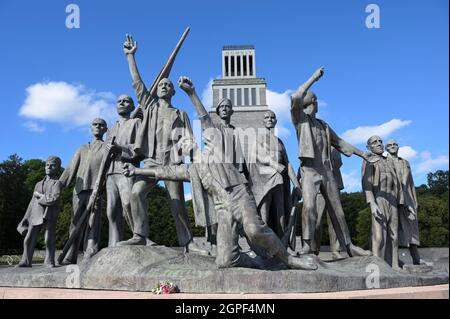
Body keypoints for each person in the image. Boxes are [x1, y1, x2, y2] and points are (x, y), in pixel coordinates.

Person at [123, 134, 318, 270]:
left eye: (187, 141)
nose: (185, 145)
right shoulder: (191, 170)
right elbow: (163, 172)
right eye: (181, 145)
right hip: (223, 209)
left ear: (194, 141)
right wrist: (136, 171)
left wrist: (192, 94)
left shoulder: (215, 150)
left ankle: (290, 260)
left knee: (254, 230)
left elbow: (206, 119)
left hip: (239, 196)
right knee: (225, 261)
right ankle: (252, 262)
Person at [119, 35, 205, 254]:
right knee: (135, 194)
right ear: (157, 91)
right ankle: (140, 235)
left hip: (173, 163)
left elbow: (189, 141)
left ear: (173, 91)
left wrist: (198, 163)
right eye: (162, 85)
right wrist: (131, 57)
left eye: (168, 85)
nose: (164, 86)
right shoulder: (149, 107)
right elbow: (137, 84)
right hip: (151, 161)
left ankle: (187, 242)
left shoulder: (180, 113)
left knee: (177, 204)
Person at [290, 67, 370, 257]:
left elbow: (340, 142)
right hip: (309, 171)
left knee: (338, 211)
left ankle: (348, 246)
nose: (316, 102)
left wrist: (361, 153)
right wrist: (313, 79)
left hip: (326, 171)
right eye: (314, 99)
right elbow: (295, 96)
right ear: (311, 102)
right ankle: (308, 245)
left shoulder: (324, 125)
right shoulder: (300, 120)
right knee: (309, 207)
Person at [177, 76, 247, 253]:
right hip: (217, 176)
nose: (224, 109)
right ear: (218, 111)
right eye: (221, 107)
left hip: (236, 176)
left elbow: (241, 156)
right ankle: (215, 246)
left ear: (231, 111)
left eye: (227, 107)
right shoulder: (215, 128)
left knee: (237, 216)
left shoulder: (237, 132)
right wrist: (192, 93)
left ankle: (234, 248)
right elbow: (204, 118)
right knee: (217, 214)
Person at [59, 118, 108, 264]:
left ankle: (90, 252)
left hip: (97, 189)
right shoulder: (82, 148)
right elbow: (70, 168)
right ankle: (70, 255)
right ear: (91, 128)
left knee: (93, 222)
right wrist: (59, 186)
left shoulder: (107, 147)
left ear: (105, 129)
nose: (98, 127)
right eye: (95, 124)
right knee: (75, 222)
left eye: (101, 125)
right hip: (79, 190)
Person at [248, 110, 301, 239]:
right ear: (263, 121)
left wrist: (296, 185)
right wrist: (274, 164)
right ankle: (264, 247)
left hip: (279, 180)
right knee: (264, 214)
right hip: (264, 182)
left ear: (276, 121)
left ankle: (282, 244)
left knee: (281, 213)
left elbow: (287, 164)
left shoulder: (279, 142)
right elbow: (257, 156)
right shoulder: (258, 138)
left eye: (273, 117)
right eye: (267, 117)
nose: (270, 119)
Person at [104, 95, 141, 246]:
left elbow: (140, 148)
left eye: (126, 101)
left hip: (126, 168)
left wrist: (120, 148)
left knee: (127, 203)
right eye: (119, 101)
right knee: (111, 210)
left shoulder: (136, 123)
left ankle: (139, 235)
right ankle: (114, 243)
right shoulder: (111, 128)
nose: (122, 103)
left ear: (132, 107)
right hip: (110, 172)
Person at [362, 136, 402, 269]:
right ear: (369, 147)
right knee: (379, 236)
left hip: (392, 200)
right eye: (374, 142)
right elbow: (366, 184)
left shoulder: (388, 161)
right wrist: (372, 203)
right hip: (379, 198)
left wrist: (402, 202)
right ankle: (376, 266)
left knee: (395, 236)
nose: (379, 144)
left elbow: (398, 184)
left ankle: (395, 265)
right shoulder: (369, 161)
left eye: (380, 141)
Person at [17, 156, 63, 267]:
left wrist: (39, 196)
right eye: (47, 165)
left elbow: (54, 199)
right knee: (28, 238)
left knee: (48, 239)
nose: (49, 167)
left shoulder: (57, 183)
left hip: (49, 213)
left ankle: (49, 261)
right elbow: (31, 203)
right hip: (36, 214)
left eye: (52, 165)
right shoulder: (38, 184)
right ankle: (26, 260)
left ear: (57, 168)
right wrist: (24, 219)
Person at [385, 139, 421, 265]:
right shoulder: (383, 162)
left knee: (411, 227)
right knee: (393, 230)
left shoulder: (405, 162)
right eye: (389, 145)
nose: (392, 146)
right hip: (391, 199)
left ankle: (416, 258)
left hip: (407, 199)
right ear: (386, 148)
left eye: (394, 144)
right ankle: (394, 260)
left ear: (398, 146)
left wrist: (414, 201)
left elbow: (411, 184)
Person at [312, 147, 344, 259]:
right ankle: (314, 249)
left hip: (333, 183)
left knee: (334, 220)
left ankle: (335, 250)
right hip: (319, 186)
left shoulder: (333, 148)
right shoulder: (313, 145)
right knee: (317, 220)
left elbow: (338, 163)